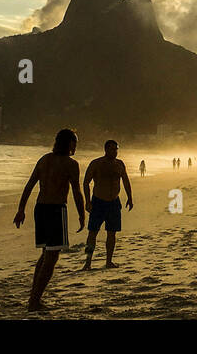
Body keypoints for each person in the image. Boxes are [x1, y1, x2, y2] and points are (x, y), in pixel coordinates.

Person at [14, 129, 86, 311]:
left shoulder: (44, 159)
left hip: (40, 209)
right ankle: (34, 301)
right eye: (74, 142)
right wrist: (82, 214)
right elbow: (76, 191)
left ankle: (34, 297)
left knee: (45, 254)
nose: (75, 146)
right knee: (52, 257)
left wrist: (21, 209)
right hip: (55, 210)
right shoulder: (71, 164)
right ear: (69, 143)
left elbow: (29, 185)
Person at [81, 140, 134, 270]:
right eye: (112, 149)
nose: (114, 152)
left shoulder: (119, 164)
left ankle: (108, 261)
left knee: (112, 233)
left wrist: (130, 198)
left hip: (114, 202)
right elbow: (85, 182)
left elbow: (126, 181)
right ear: (105, 150)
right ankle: (88, 262)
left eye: (116, 149)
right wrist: (87, 201)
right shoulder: (96, 164)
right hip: (98, 202)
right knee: (92, 233)